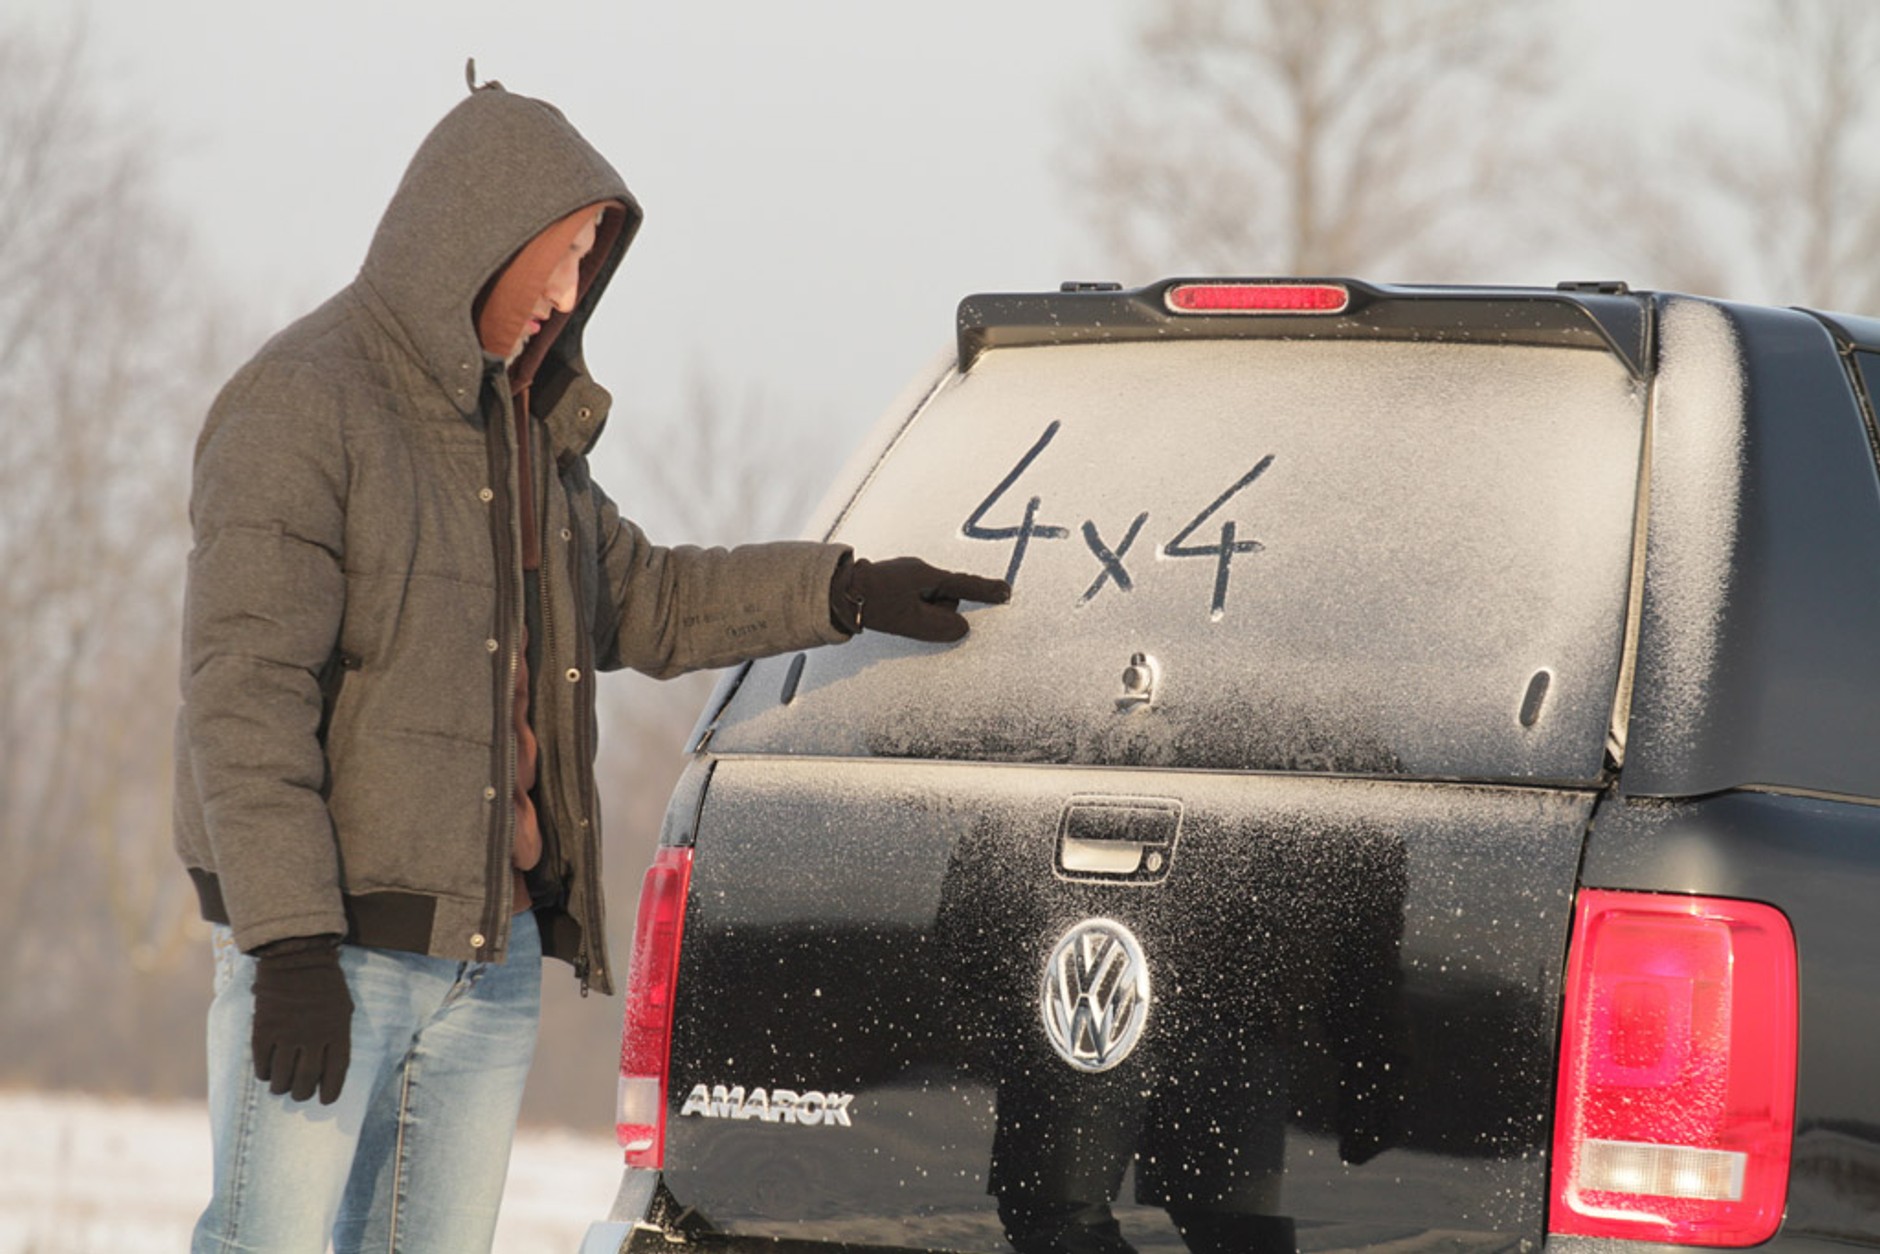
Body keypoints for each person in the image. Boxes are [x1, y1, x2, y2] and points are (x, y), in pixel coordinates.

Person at [173, 72, 1008, 1253]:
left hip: (489, 953)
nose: (569, 294)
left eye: (587, 264)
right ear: (478, 236)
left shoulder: (520, 432)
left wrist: (843, 587)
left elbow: (645, 598)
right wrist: (292, 944)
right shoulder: (300, 406)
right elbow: (244, 700)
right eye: (559, 256)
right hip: (335, 953)